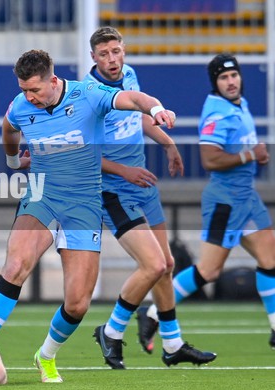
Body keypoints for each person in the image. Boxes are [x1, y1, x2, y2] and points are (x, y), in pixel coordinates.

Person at [0, 49, 176, 383]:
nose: (29, 97)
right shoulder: (21, 105)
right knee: (15, 265)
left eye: (35, 90)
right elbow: (9, 128)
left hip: (84, 202)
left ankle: (46, 355)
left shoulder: (89, 95)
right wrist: (13, 162)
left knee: (77, 305)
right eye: (24, 89)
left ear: (53, 81)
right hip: (42, 194)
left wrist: (156, 108)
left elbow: (134, 98)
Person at [85, 27, 216, 369]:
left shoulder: (129, 75)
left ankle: (172, 344)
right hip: (113, 190)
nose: (112, 59)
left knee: (168, 265)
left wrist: (169, 144)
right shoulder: (88, 95)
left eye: (116, 51)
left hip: (143, 186)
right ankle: (111, 331)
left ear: (123, 50)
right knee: (154, 265)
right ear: (93, 58)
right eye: (104, 54)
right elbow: (83, 154)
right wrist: (123, 171)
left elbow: (139, 116)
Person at [138, 53, 275, 350]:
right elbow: (209, 158)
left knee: (270, 259)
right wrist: (252, 155)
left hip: (247, 197)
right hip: (226, 202)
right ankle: (150, 313)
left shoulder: (239, 104)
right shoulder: (217, 112)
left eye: (234, 75)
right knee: (209, 271)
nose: (230, 81)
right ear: (215, 82)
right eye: (224, 78)